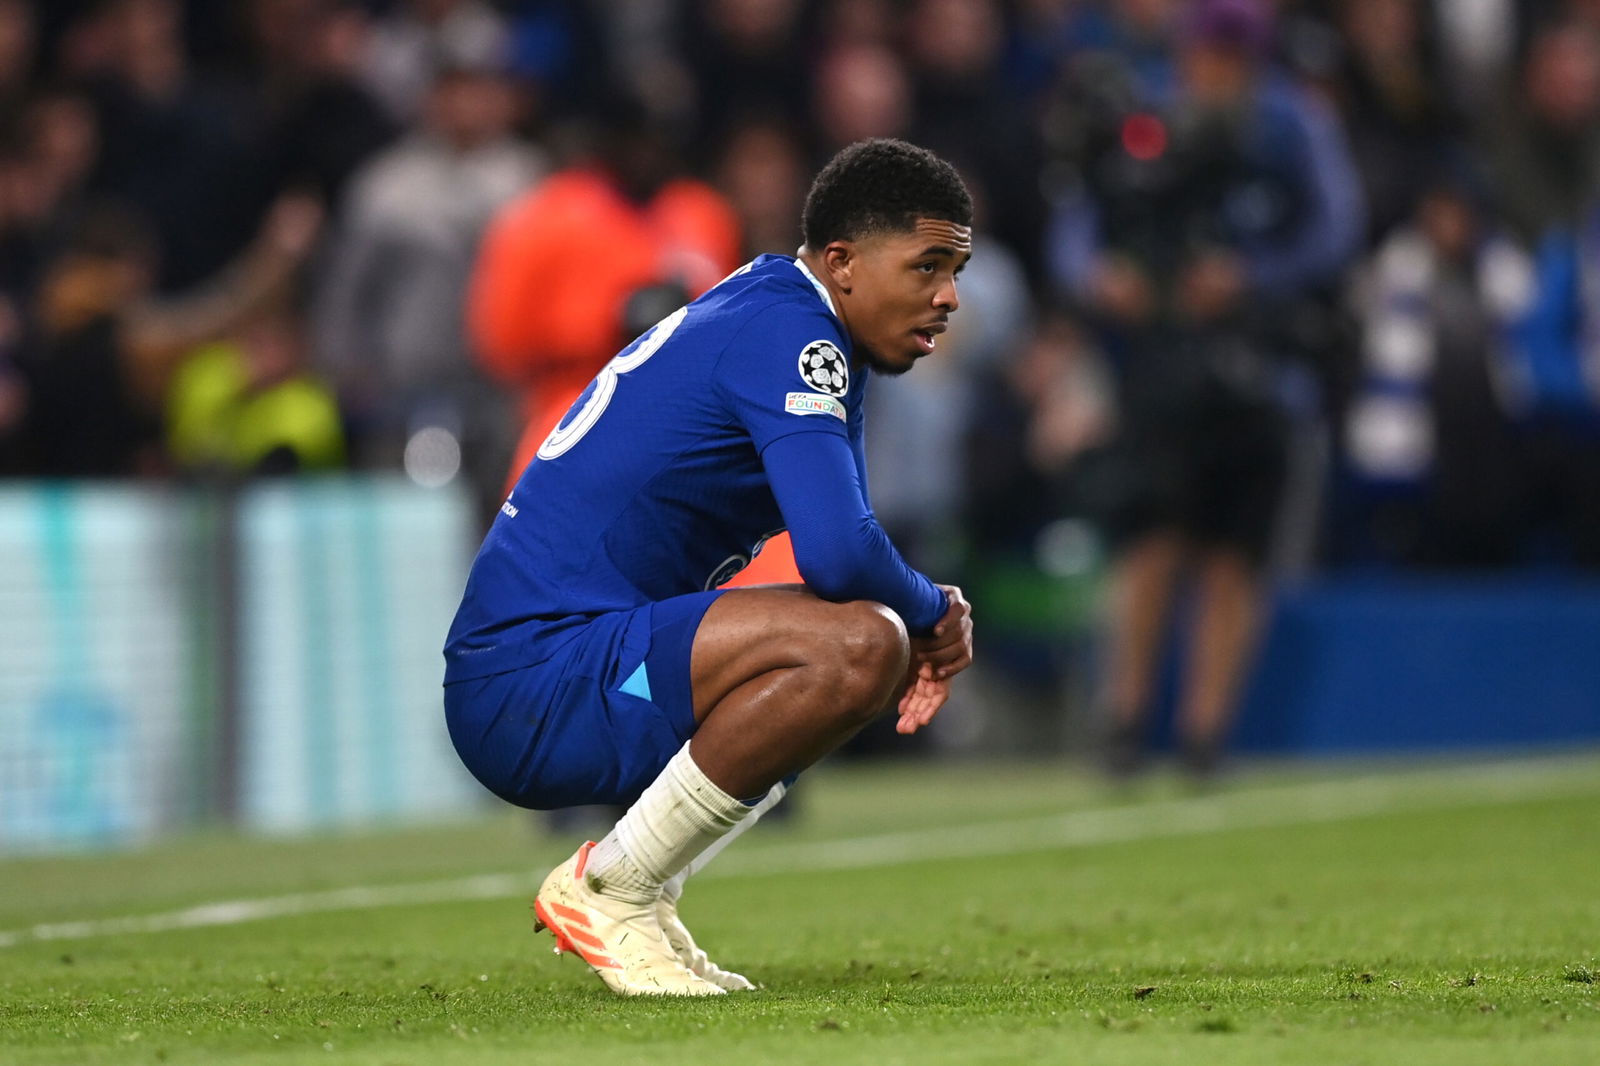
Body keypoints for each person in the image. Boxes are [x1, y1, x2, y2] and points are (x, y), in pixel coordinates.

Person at [443, 139, 976, 996]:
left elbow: (845, 546)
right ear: (841, 263)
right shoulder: (796, 335)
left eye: (956, 268)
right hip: (535, 680)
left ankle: (639, 893)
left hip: (558, 663)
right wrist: (935, 610)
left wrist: (915, 610)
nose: (950, 296)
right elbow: (841, 554)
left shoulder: (780, 309)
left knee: (865, 643)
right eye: (927, 266)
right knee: (860, 642)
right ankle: (614, 888)